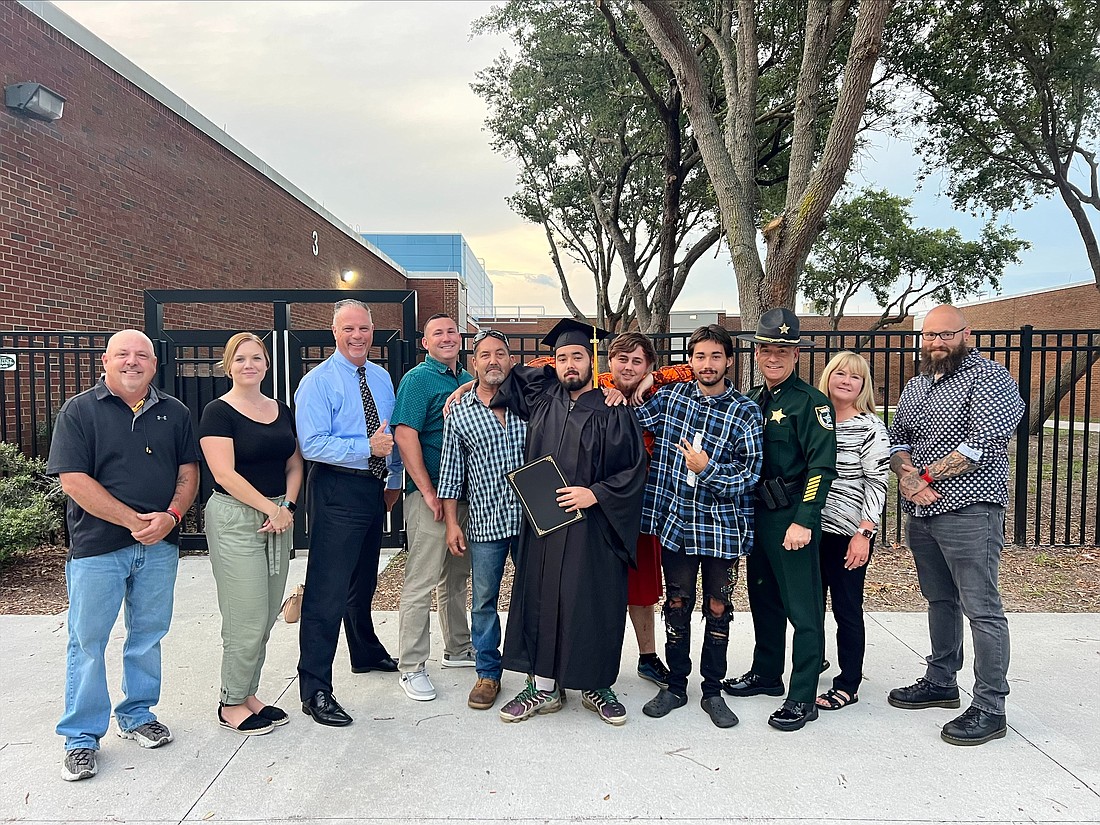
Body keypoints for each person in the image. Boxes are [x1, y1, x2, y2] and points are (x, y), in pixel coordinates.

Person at [47, 329, 200, 781]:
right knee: (88, 642)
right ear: (105, 361)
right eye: (123, 355)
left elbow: (188, 472)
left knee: (148, 635)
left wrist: (171, 516)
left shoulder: (175, 413)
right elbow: (73, 481)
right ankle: (81, 738)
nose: (133, 362)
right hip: (98, 549)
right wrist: (133, 521)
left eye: (142, 356)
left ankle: (137, 714)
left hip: (159, 547)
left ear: (154, 365)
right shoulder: (79, 411)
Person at [493, 318, 647, 726]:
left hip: (593, 528)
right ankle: (543, 687)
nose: (568, 365)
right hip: (545, 525)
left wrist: (594, 493)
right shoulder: (543, 399)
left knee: (590, 602)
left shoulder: (615, 410)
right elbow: (511, 376)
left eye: (577, 356)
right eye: (562, 358)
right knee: (542, 599)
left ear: (593, 360)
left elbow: (633, 470)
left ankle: (596, 686)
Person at [887, 304, 1024, 746]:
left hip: (971, 510)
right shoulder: (916, 385)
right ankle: (941, 681)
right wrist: (908, 477)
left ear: (966, 333)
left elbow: (979, 444)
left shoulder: (990, 377)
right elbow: (899, 439)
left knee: (981, 607)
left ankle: (990, 706)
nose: (936, 343)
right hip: (922, 513)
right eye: (929, 335)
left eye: (945, 334)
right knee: (939, 599)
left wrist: (921, 479)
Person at [635, 325, 763, 728]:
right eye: (700, 356)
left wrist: (706, 469)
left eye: (715, 357)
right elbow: (626, 416)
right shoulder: (671, 399)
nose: (707, 364)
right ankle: (675, 684)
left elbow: (749, 474)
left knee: (718, 607)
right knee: (676, 604)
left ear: (728, 360)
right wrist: (640, 381)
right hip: (676, 525)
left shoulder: (745, 411)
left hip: (723, 529)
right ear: (689, 360)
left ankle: (712, 688)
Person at [722, 308, 837, 732]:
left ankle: (802, 695)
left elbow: (821, 468)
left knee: (803, 610)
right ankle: (767, 674)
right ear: (757, 353)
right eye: (767, 349)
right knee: (764, 601)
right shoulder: (752, 399)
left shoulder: (812, 403)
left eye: (782, 350)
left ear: (795, 354)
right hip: (758, 517)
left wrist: (805, 519)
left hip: (792, 517)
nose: (774, 357)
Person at [294, 299, 403, 727]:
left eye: (364, 329)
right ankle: (315, 687)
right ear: (333, 332)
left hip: (373, 489)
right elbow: (313, 444)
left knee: (363, 577)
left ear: (373, 331)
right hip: (336, 487)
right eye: (348, 329)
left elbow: (388, 434)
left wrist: (392, 479)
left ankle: (364, 650)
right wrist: (366, 450)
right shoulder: (317, 382)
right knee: (326, 590)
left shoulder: (379, 377)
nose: (357, 336)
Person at [199, 333, 304, 735]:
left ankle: (248, 694)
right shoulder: (217, 412)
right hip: (236, 518)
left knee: (264, 616)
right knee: (244, 616)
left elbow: (295, 463)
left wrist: (288, 507)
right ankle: (230, 703)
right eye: (240, 359)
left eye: (256, 358)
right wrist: (271, 509)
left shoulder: (280, 409)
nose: (249, 365)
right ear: (229, 366)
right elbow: (224, 473)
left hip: (278, 515)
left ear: (266, 364)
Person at [437, 329, 526, 710]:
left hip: (532, 521)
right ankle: (488, 674)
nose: (493, 360)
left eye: (501, 354)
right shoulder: (459, 414)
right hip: (486, 522)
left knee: (535, 596)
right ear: (473, 364)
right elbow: (451, 472)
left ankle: (539, 670)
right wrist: (453, 523)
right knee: (484, 600)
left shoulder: (532, 401)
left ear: (511, 360)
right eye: (485, 355)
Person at [392, 314, 475, 702]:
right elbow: (405, 435)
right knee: (421, 581)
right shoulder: (417, 380)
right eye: (437, 332)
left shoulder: (465, 379)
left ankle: (458, 648)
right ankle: (411, 666)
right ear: (425, 342)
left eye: (451, 331)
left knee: (456, 576)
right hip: (432, 497)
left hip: (466, 496)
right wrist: (427, 490)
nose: (446, 337)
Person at [813, 351, 889, 711]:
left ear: (863, 386)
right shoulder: (816, 419)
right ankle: (814, 662)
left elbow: (877, 482)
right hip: (811, 529)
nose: (845, 381)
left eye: (855, 377)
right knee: (811, 607)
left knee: (846, 608)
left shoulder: (870, 427)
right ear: (828, 376)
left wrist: (865, 533)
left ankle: (848, 683)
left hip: (848, 534)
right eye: (839, 373)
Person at [604, 332, 675, 688]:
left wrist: (652, 380)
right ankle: (596, 658)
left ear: (648, 365)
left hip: (643, 507)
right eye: (622, 359)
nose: (628, 367)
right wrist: (469, 385)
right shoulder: (594, 387)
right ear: (609, 361)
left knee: (643, 587)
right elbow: (542, 366)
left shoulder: (659, 395)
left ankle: (648, 657)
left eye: (637, 361)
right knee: (595, 586)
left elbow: (693, 369)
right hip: (599, 507)